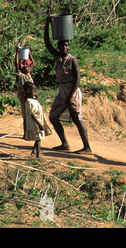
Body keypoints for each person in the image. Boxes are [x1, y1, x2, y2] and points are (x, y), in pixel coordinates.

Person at [44, 15, 92, 155]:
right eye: (62, 45)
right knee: (53, 117)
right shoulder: (58, 57)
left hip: (72, 92)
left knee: (77, 119)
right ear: (58, 47)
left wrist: (71, 95)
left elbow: (77, 79)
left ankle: (87, 147)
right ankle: (64, 143)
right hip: (62, 93)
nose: (65, 47)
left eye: (66, 45)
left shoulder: (73, 60)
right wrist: (47, 24)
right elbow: (47, 43)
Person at [23, 81, 53, 158]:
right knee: (38, 137)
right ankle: (38, 154)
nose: (35, 92)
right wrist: (39, 124)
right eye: (33, 90)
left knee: (38, 137)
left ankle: (34, 151)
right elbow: (32, 114)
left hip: (39, 119)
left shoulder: (32, 99)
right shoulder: (28, 101)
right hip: (35, 122)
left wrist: (36, 98)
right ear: (28, 91)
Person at [15, 46, 34, 138]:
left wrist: (29, 52)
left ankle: (30, 132)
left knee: (31, 115)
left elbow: (33, 62)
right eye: (25, 66)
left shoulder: (29, 74)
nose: (27, 67)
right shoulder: (20, 75)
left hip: (31, 98)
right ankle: (25, 133)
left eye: (28, 66)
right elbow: (16, 64)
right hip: (23, 98)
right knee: (25, 117)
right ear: (22, 67)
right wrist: (17, 53)